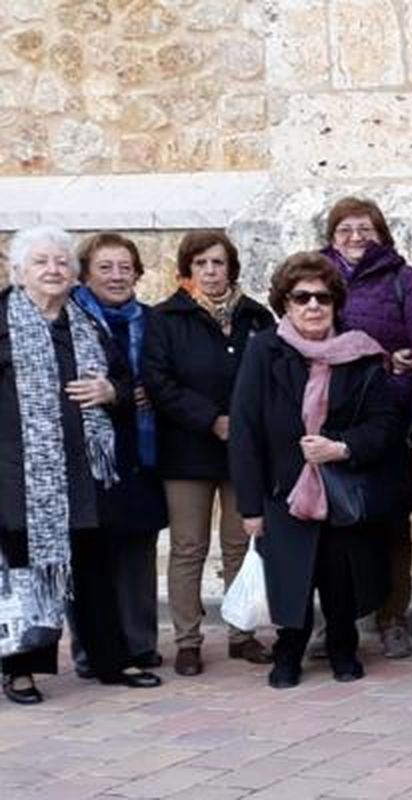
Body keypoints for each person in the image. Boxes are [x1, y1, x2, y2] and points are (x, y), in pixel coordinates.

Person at [229, 253, 406, 688]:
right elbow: (245, 429)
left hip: (341, 485)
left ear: (335, 303)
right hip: (283, 487)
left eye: (323, 298)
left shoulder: (360, 352)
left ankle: (344, 648)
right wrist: (250, 507)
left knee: (339, 574)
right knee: (290, 576)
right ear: (285, 304)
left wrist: (341, 448)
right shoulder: (264, 350)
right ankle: (288, 652)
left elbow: (385, 424)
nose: (313, 305)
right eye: (301, 297)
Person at [1, 226, 158, 705]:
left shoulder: (86, 323)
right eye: (41, 261)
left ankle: (110, 659)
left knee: (93, 568)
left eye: (61, 262)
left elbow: (124, 381)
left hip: (84, 472)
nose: (53, 270)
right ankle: (20, 670)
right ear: (19, 272)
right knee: (28, 573)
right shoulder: (3, 320)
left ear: (74, 273)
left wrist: (110, 391)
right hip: (19, 473)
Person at [145, 230, 277, 676]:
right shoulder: (166, 318)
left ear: (231, 267)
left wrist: (245, 423)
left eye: (218, 263)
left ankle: (242, 633)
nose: (210, 271)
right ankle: (187, 640)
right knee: (188, 547)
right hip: (187, 449)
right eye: (200, 263)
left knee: (241, 543)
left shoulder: (256, 316)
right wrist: (210, 419)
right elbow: (159, 381)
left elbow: (271, 375)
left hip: (244, 449)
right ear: (188, 269)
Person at [321, 196, 412, 659]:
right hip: (329, 416)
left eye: (365, 228)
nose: (356, 237)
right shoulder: (315, 276)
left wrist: (395, 379)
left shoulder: (405, 279)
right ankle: (338, 619)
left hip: (388, 415)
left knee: (391, 520)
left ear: (381, 233)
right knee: (335, 524)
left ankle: (392, 616)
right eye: (345, 229)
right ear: (331, 236)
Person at [69, 235, 169, 681]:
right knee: (88, 559)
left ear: (137, 274)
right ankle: (91, 650)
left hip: (141, 452)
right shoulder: (69, 319)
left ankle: (140, 644)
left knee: (137, 554)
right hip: (88, 455)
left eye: (125, 267)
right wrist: (122, 393)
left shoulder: (153, 321)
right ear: (86, 274)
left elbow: (165, 378)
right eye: (105, 267)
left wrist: (139, 393)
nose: (116, 276)